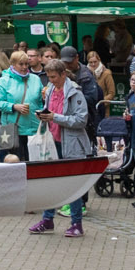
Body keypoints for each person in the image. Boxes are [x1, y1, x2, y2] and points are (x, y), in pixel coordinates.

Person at [29, 58, 92, 237]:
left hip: (71, 145)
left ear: (63, 74)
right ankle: (47, 220)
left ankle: (76, 224)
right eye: (48, 77)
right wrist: (43, 114)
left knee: (72, 185)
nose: (51, 80)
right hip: (52, 142)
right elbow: (50, 111)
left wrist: (55, 117)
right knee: (50, 183)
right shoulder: (50, 90)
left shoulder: (75, 93)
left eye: (54, 76)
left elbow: (81, 120)